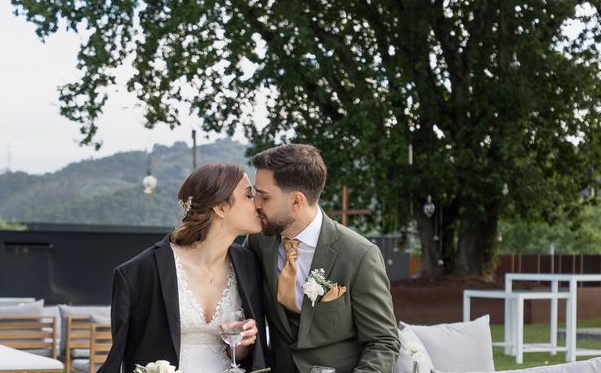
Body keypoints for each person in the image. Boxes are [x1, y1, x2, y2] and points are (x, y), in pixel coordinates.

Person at [99, 163, 268, 373]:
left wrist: (240, 344)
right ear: (221, 207)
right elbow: (123, 356)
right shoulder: (139, 273)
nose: (258, 204)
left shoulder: (249, 264)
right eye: (249, 196)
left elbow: (250, 358)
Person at [247, 144, 400, 373]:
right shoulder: (258, 242)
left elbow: (383, 342)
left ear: (296, 201)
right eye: (255, 193)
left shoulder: (359, 255)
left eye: (264, 196)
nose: (256, 203)